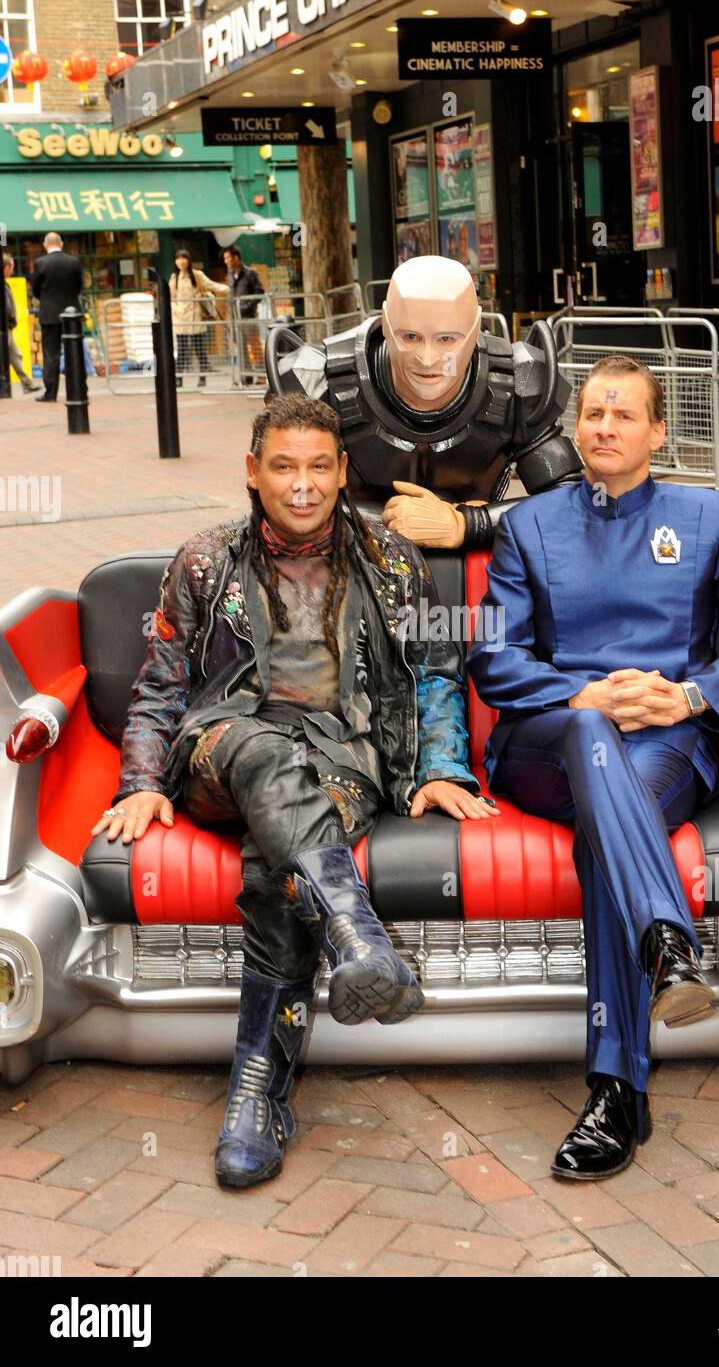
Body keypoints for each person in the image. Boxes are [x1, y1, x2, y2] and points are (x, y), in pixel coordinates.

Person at [90, 392, 499, 1190]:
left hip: (343, 766)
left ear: (344, 470)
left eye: (319, 466)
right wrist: (141, 780)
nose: (303, 484)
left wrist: (442, 769)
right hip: (222, 749)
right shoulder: (205, 560)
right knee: (257, 745)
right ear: (253, 471)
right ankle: (357, 937)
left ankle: (258, 1090)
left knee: (278, 860)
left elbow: (435, 675)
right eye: (284, 467)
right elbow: (159, 688)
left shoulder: (392, 560)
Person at [467, 355, 719, 1180]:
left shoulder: (710, 516)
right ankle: (667, 941)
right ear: (574, 426)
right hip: (548, 737)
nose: (604, 428)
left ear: (657, 430)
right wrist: (587, 694)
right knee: (589, 738)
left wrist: (687, 698)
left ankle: (617, 1090)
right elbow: (492, 657)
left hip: (668, 744)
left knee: (604, 831)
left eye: (623, 416)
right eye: (591, 414)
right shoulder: (527, 526)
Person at [267, 255, 581, 549]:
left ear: (475, 328)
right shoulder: (319, 381)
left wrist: (466, 524)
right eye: (410, 337)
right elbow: (278, 494)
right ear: (386, 323)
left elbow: (568, 502)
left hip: (477, 575)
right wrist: (385, 522)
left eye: (447, 339)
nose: (428, 359)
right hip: (352, 570)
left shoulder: (519, 383)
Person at [29, 232, 83, 402]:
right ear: (61, 244)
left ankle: (50, 393)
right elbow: (78, 286)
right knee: (74, 351)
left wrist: (46, 300)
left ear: (45, 245)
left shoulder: (40, 263)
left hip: (49, 313)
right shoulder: (73, 262)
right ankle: (79, 389)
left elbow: (35, 288)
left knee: (51, 354)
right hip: (71, 313)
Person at [169, 249, 230, 388]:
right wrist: (177, 309)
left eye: (184, 258)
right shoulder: (174, 278)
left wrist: (230, 289)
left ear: (189, 260)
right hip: (181, 320)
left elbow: (212, 285)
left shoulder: (197, 275)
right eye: (178, 258)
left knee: (199, 349)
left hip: (195, 318)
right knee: (182, 350)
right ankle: (179, 378)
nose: (181, 261)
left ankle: (202, 377)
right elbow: (171, 298)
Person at [223, 246, 266, 385]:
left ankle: (260, 376)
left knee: (254, 346)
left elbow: (260, 292)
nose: (226, 261)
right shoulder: (230, 275)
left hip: (248, 317)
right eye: (225, 259)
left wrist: (248, 306)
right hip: (236, 318)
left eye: (228, 258)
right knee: (241, 348)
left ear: (236, 258)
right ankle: (246, 376)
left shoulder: (250, 273)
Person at [3, 254, 40, 393]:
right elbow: (6, 307)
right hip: (4, 327)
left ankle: (27, 384)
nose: (12, 271)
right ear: (6, 267)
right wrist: (11, 318)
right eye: (11, 267)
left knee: (15, 354)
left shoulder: (5, 283)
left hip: (7, 326)